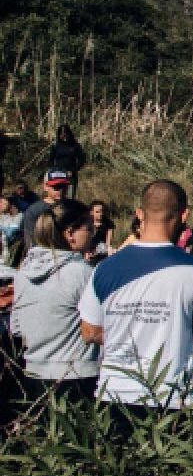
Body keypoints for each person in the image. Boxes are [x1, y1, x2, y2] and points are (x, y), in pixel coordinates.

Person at [77, 180, 193, 407]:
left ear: (139, 213)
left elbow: (89, 331)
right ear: (184, 216)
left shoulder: (105, 268)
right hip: (172, 395)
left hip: (114, 393)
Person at [11, 200, 97, 400]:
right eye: (89, 229)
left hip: (34, 374)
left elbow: (16, 327)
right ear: (70, 233)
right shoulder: (82, 273)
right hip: (77, 376)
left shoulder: (23, 274)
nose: (93, 234)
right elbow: (97, 327)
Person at [22, 171, 68, 249]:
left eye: (63, 186)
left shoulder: (73, 207)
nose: (60, 190)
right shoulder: (34, 211)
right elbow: (30, 239)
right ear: (45, 187)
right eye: (56, 186)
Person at [46, 124, 87, 198]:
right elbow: (50, 160)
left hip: (71, 175)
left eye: (65, 133)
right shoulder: (55, 146)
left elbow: (82, 160)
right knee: (58, 197)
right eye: (61, 134)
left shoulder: (75, 145)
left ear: (69, 133)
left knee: (70, 198)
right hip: (58, 175)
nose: (64, 136)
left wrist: (74, 170)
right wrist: (52, 171)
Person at [0, 195, 23, 264]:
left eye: (1, 202)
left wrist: (2, 230)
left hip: (14, 251)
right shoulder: (4, 216)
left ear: (10, 203)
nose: (0, 205)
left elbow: (11, 233)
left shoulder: (20, 216)